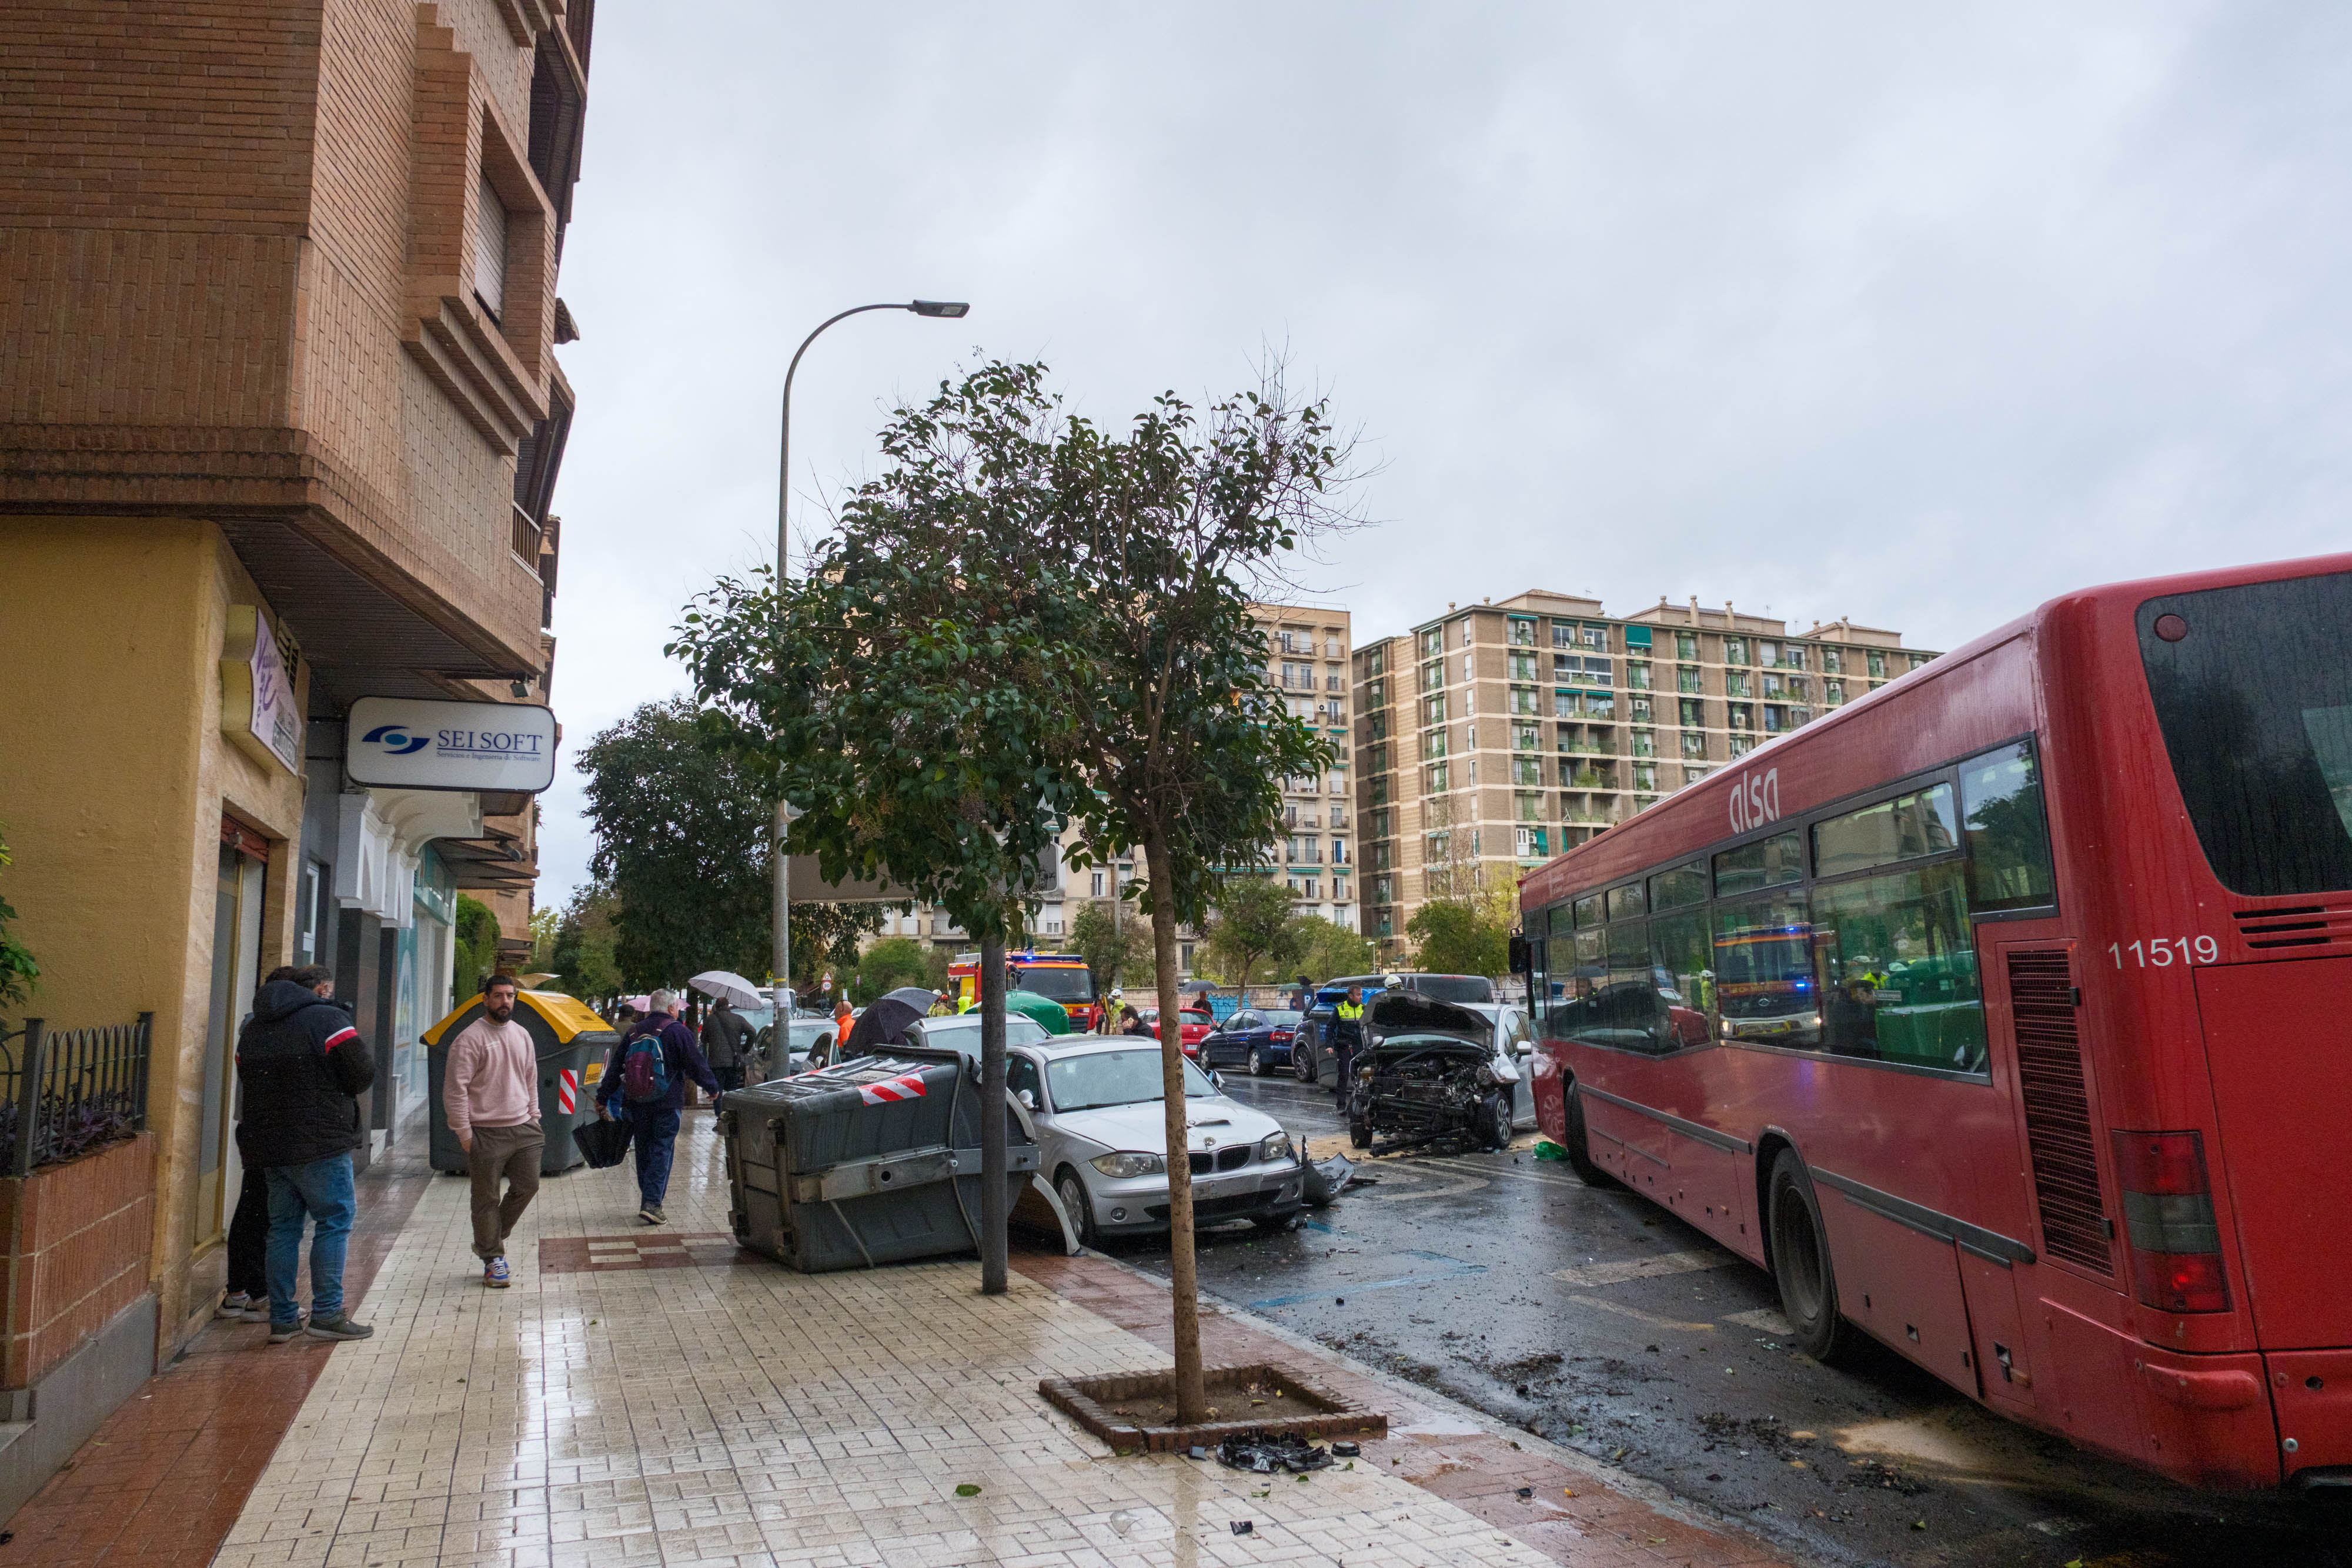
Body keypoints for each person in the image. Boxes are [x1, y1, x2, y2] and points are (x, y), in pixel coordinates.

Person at [235, 963, 375, 1343]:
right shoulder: (328, 1019)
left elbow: (247, 1077)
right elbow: (362, 1071)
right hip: (321, 1142)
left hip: (270, 1145)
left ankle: (282, 1319)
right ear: (317, 989)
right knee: (334, 1221)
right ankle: (327, 1313)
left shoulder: (254, 1027)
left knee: (282, 1229)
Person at [443, 973, 542, 1289]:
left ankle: (491, 1238)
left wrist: (535, 1117)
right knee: (486, 1198)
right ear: (485, 999)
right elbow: (455, 1090)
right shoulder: (469, 1039)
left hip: (524, 1127)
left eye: (510, 996)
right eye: (498, 996)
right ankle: (493, 1260)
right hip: (485, 1132)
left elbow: (530, 1079)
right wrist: (464, 1133)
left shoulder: (522, 1035)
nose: (505, 1002)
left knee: (528, 1186)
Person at [595, 988, 719, 1226]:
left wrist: (603, 1096)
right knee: (662, 1149)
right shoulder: (678, 1031)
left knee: (643, 1150)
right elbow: (696, 1064)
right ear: (671, 1008)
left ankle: (649, 1199)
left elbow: (616, 1068)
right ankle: (652, 1203)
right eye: (677, 1008)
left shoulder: (634, 1032)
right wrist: (711, 1086)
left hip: (635, 1103)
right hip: (667, 1103)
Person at [218, 965, 298, 1323]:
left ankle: (240, 1290)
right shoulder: (265, 1029)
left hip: (253, 1128)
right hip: (265, 1130)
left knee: (252, 1207)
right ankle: (258, 1293)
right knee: (262, 1212)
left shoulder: (253, 1025)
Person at [701, 996, 750, 1092]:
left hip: (715, 1062)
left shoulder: (709, 1020)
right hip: (732, 1061)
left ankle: (718, 1102)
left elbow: (703, 1039)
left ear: (716, 1006)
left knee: (717, 1091)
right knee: (732, 1091)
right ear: (728, 1006)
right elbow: (752, 1032)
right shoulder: (738, 1019)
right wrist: (745, 1049)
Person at [1330, 982, 1367, 1104]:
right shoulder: (1340, 1008)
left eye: (1361, 994)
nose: (1361, 997)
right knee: (1344, 1074)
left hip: (1360, 1046)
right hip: (1344, 1046)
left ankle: (1362, 1102)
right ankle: (1341, 1105)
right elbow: (1330, 1027)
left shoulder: (1364, 1008)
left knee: (1364, 1074)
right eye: (1358, 995)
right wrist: (1329, 1045)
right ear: (1351, 996)